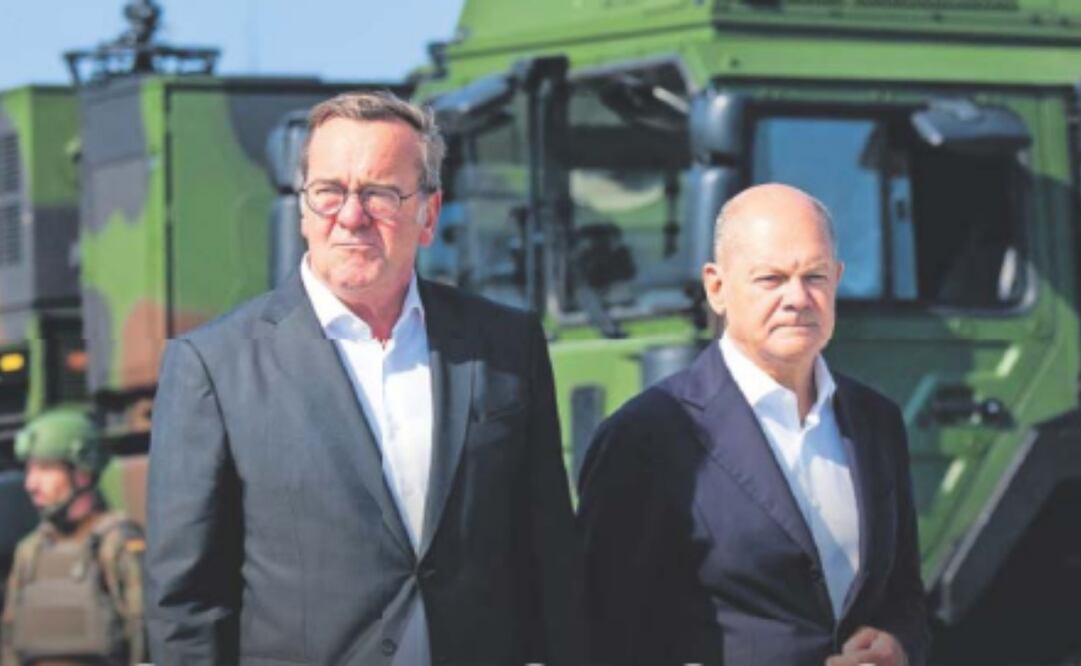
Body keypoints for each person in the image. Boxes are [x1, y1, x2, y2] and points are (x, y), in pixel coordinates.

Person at [145, 91, 583, 665]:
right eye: (328, 192)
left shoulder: (505, 347)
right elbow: (185, 604)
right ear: (302, 210)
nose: (351, 216)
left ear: (428, 213)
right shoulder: (214, 367)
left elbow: (549, 553)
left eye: (380, 194)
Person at [579, 183, 929, 666]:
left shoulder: (876, 421)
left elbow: (904, 592)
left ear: (838, 280)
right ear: (717, 288)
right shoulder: (647, 436)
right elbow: (603, 631)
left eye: (815, 276)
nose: (797, 298)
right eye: (771, 279)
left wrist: (899, 645)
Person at [1, 409, 145, 666]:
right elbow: (9, 644)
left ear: (82, 473)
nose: (31, 484)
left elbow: (143, 639)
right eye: (29, 470)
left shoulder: (116, 544)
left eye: (45, 469)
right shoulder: (30, 550)